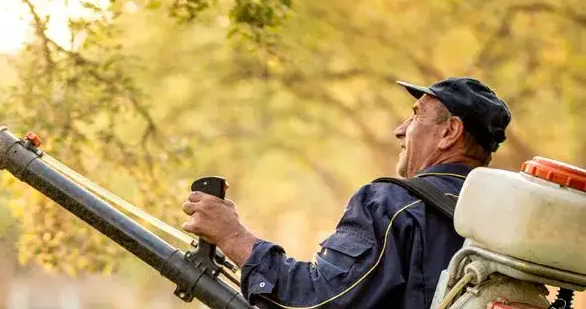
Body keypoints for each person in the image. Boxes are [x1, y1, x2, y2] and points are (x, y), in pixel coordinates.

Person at [181, 76, 512, 308]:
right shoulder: (507, 222)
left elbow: (317, 301)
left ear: (450, 132)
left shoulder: (393, 205)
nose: (400, 130)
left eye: (415, 116)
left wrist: (232, 236)